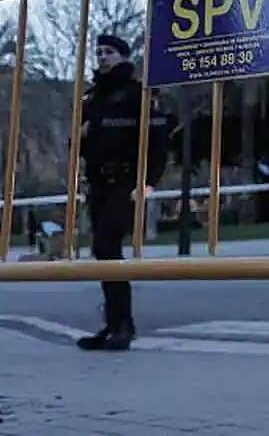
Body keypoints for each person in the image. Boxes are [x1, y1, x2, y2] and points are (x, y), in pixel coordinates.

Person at [76, 33, 167, 352]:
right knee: (103, 253)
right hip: (99, 184)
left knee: (106, 245)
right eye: (99, 52)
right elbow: (79, 145)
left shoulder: (136, 94)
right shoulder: (91, 99)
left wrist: (149, 182)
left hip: (126, 183)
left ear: (124, 57)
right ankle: (113, 324)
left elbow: (158, 141)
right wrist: (80, 138)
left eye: (109, 52)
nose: (102, 57)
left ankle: (123, 325)